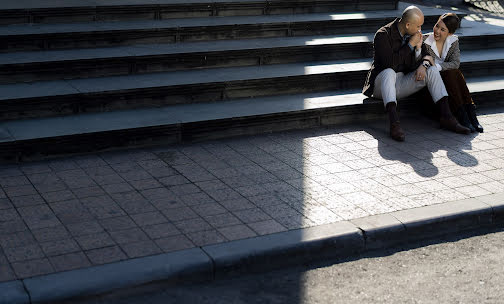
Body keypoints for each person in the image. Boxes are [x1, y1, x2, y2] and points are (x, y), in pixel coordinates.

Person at [363, 5, 470, 141]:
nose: (420, 30)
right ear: (408, 24)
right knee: (389, 72)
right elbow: (389, 63)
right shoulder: (383, 34)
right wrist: (409, 46)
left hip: (401, 84)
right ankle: (394, 123)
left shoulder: (413, 35)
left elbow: (427, 57)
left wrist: (420, 54)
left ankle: (447, 117)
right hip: (380, 86)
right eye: (418, 26)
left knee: (431, 70)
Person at [422, 13, 483, 132]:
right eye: (437, 26)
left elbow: (455, 63)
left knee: (454, 72)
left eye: (442, 29)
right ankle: (465, 116)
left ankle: (470, 116)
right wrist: (437, 68)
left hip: (449, 88)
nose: (437, 31)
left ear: (450, 33)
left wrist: (438, 66)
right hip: (432, 90)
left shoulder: (453, 42)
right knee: (452, 73)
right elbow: (424, 64)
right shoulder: (425, 40)